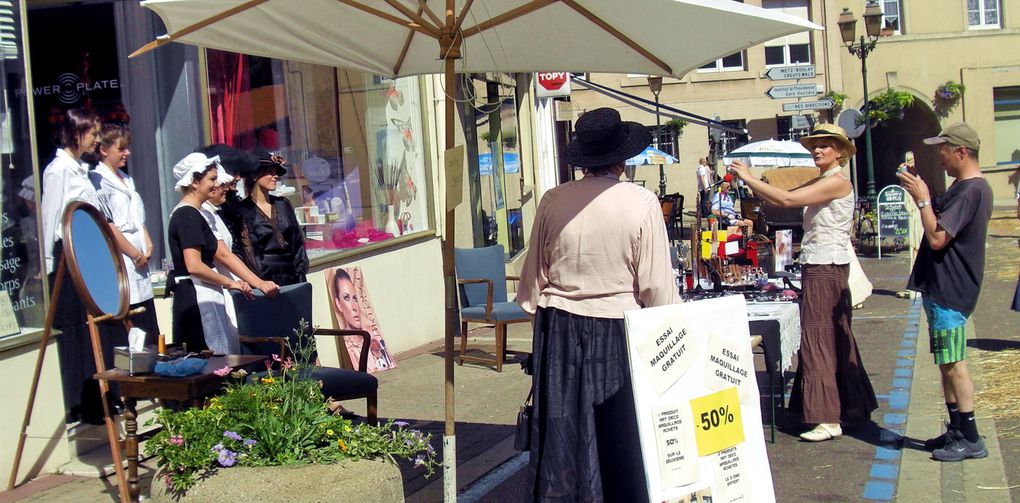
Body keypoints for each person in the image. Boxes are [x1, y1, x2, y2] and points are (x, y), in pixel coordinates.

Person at [516, 107, 680, 502]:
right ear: (622, 158)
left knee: (562, 424)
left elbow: (531, 283)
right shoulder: (641, 202)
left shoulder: (553, 200)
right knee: (616, 427)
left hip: (559, 328)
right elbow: (656, 287)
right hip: (617, 327)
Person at [729, 123, 877, 442]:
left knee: (819, 335)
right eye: (815, 145)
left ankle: (827, 417)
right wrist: (756, 182)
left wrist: (750, 176)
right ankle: (848, 406)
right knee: (834, 336)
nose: (817, 150)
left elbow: (784, 201)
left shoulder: (836, 181)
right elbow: (784, 195)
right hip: (825, 263)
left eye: (825, 145)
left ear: (840, 152)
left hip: (825, 265)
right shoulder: (824, 179)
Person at [898, 122, 993, 462]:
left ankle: (970, 436)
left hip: (952, 290)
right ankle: (957, 428)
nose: (938, 154)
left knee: (954, 364)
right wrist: (919, 193)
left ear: (961, 151)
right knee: (945, 363)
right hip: (942, 288)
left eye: (943, 148)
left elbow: (938, 237)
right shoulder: (963, 188)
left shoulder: (972, 190)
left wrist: (922, 198)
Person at [40, 107, 106, 423]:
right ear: (77, 133)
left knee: (91, 326)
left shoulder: (81, 170)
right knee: (74, 331)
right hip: (67, 258)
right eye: (93, 134)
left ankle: (95, 400)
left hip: (87, 256)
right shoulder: (59, 171)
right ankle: (78, 403)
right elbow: (50, 217)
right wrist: (50, 264)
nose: (96, 141)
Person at [167, 153, 253, 355]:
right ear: (195, 182)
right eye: (212, 179)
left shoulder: (197, 213)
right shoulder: (186, 214)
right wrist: (230, 282)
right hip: (195, 297)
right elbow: (194, 265)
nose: (217, 185)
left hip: (204, 292)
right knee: (206, 356)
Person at [91, 124, 160, 341]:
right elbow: (109, 224)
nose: (127, 153)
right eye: (121, 149)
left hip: (140, 258)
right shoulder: (97, 180)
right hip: (124, 256)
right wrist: (134, 253)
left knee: (147, 315)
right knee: (132, 314)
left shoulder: (126, 178)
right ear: (104, 150)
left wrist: (147, 243)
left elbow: (137, 217)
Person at [235, 150, 308, 286]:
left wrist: (300, 272)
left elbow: (297, 240)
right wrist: (265, 282)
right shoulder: (242, 211)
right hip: (265, 282)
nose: (275, 176)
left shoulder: (283, 204)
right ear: (255, 175)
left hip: (294, 277)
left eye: (276, 172)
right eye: (270, 171)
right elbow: (250, 253)